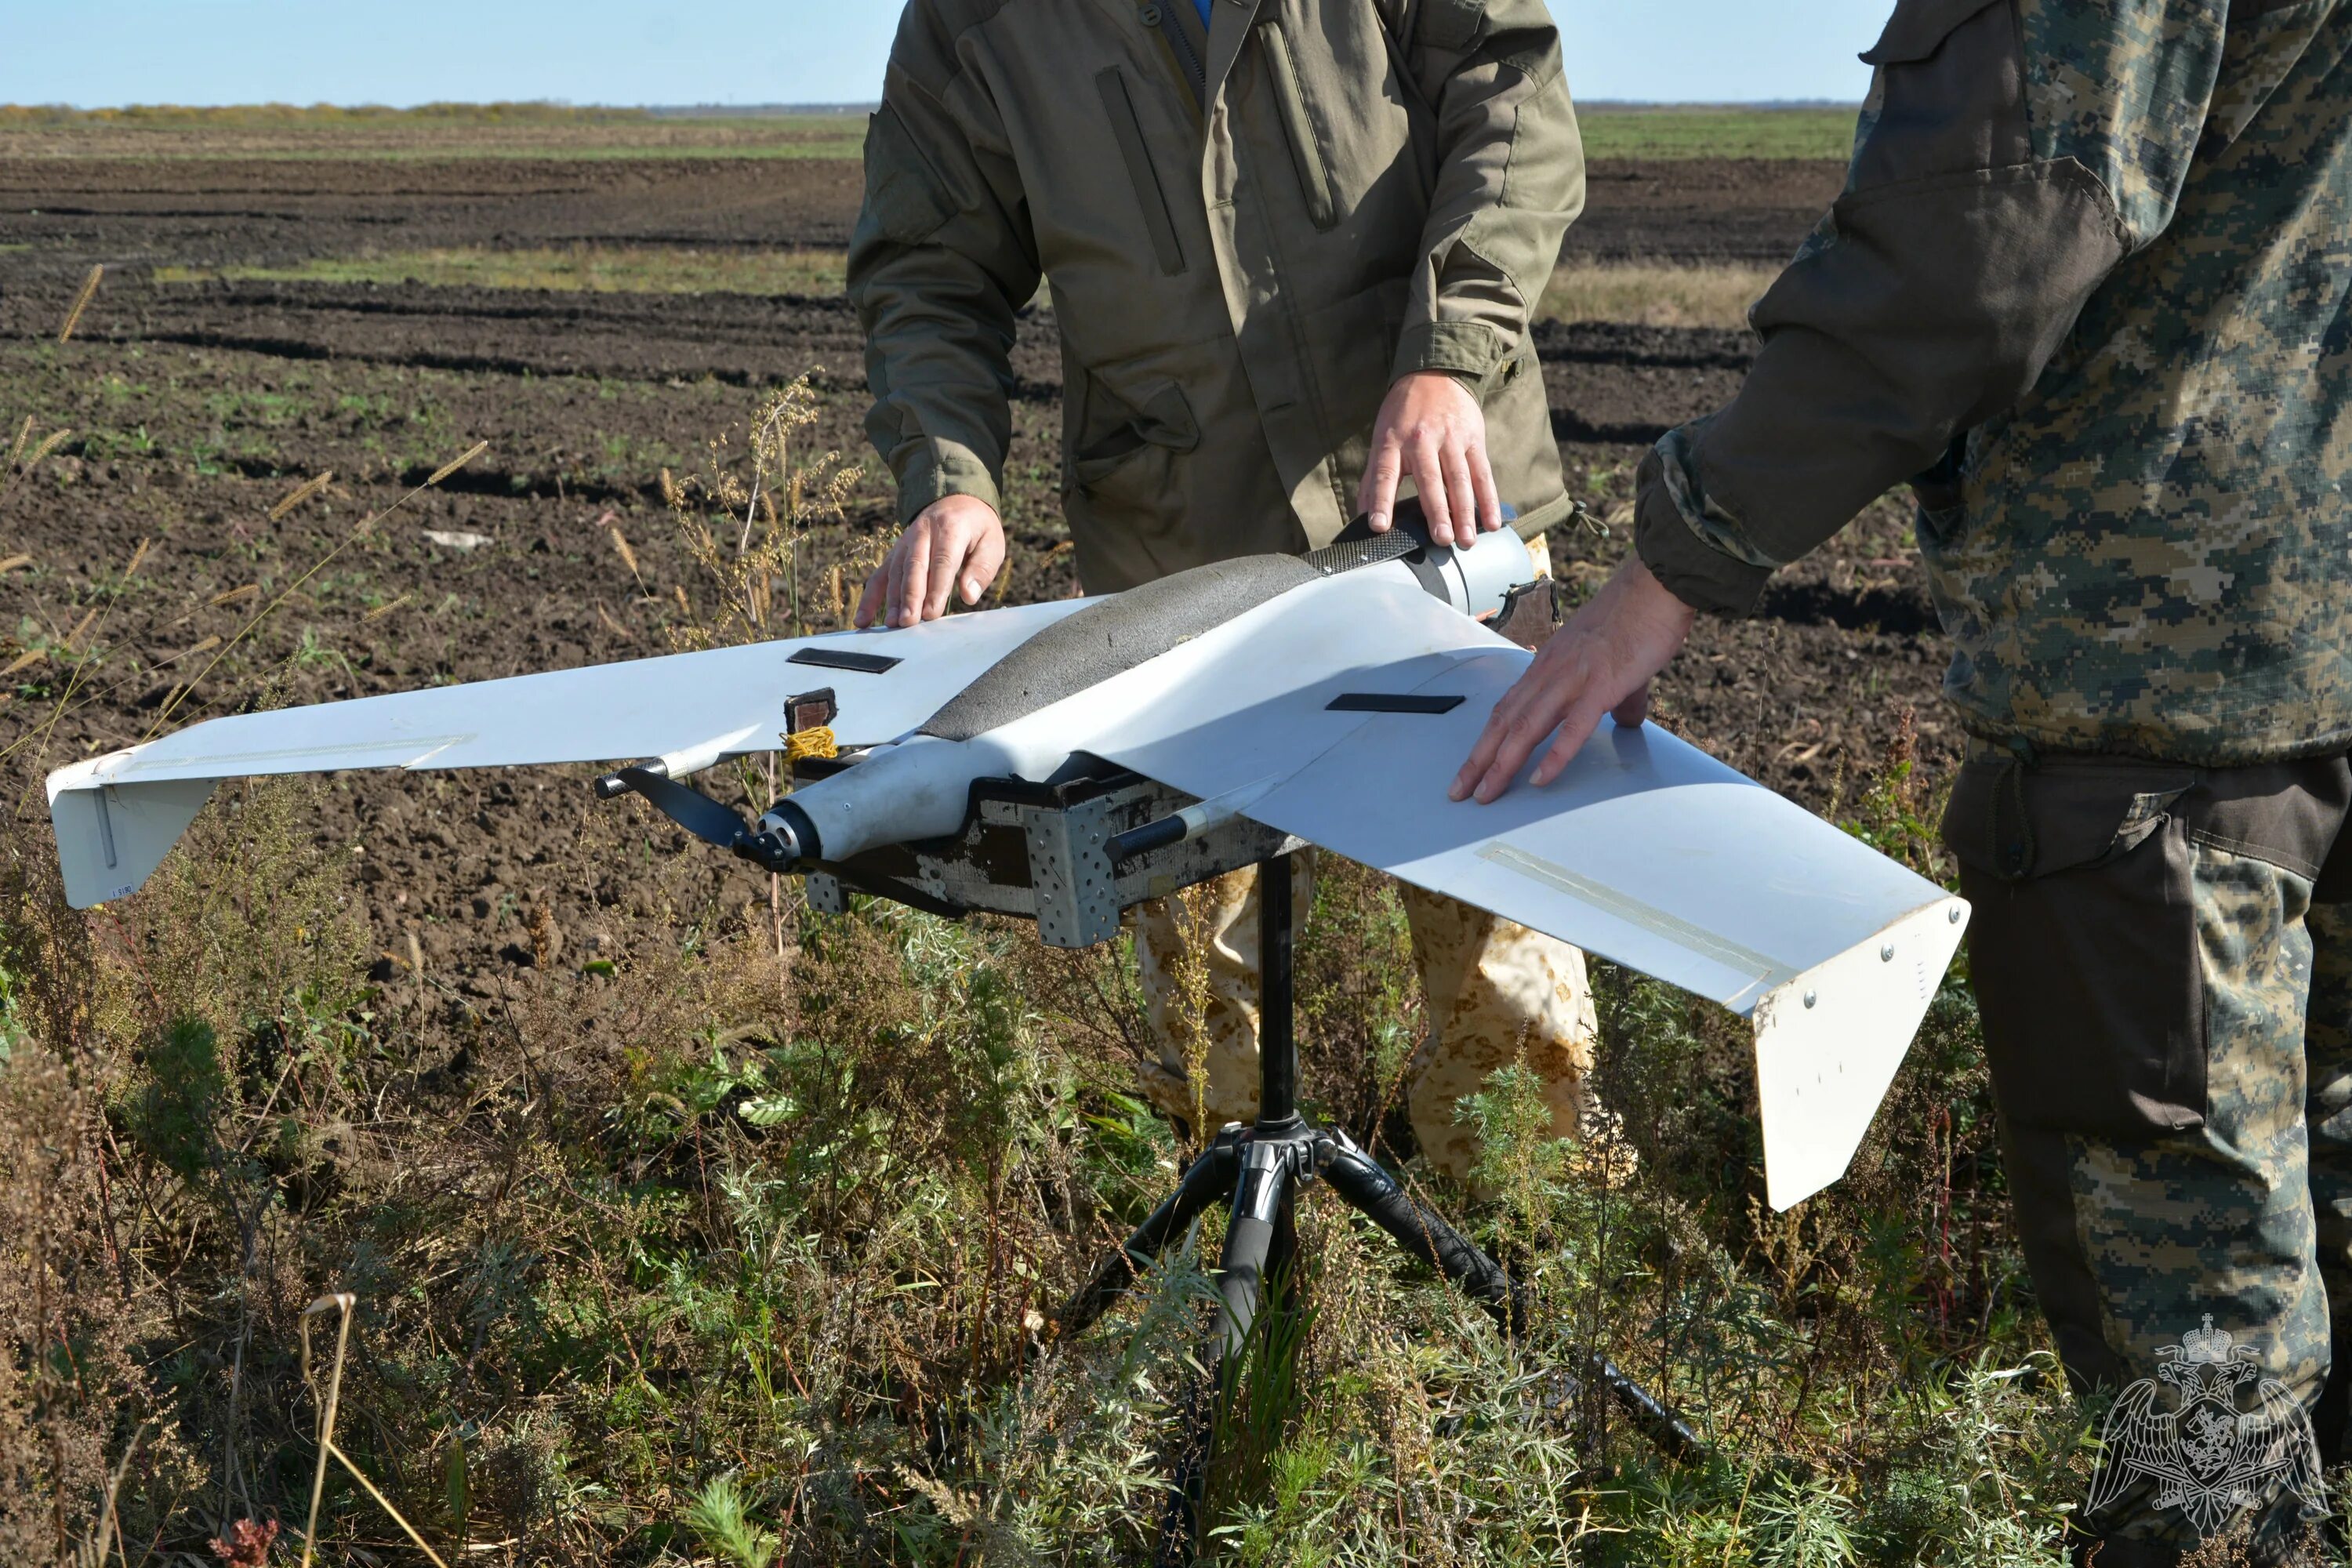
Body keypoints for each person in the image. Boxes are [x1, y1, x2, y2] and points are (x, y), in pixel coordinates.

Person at [1456, 1, 2352, 1560]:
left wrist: (1674, 563)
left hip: (2172, 729)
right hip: (2302, 676)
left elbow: (1982, 246)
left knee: (2200, 1423)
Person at [847, 0, 1610, 1184]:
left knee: (1511, 996)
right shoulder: (973, 17)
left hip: (1446, 525)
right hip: (1176, 570)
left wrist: (1452, 352)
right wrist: (951, 477)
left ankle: (1514, 1299)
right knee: (1213, 1035)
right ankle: (1244, 1325)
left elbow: (1510, 94)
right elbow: (929, 265)